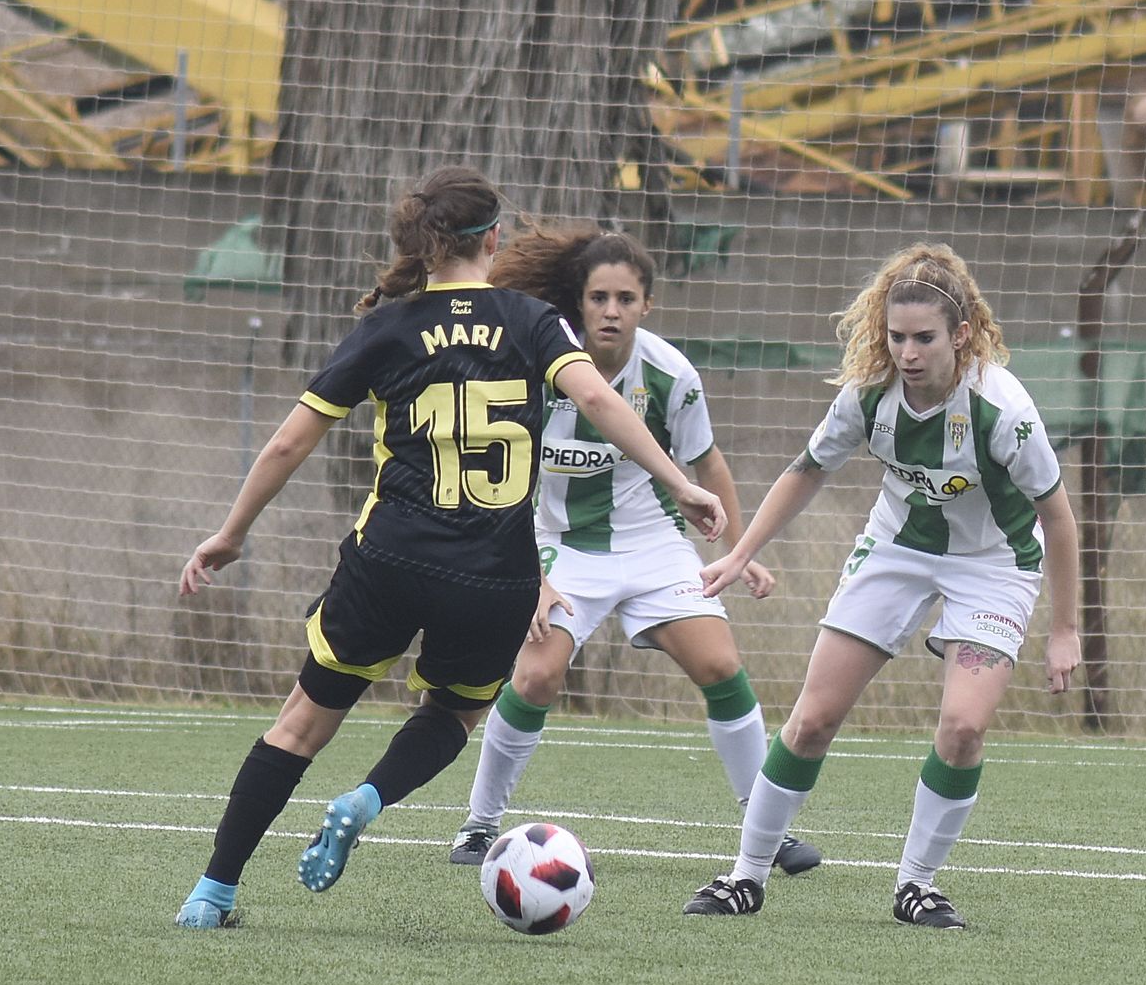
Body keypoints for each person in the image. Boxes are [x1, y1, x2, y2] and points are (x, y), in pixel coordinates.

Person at [172, 166, 726, 929]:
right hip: (494, 574)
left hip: (389, 558)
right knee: (454, 716)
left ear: (421, 244)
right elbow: (597, 397)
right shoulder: (532, 321)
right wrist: (681, 483)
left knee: (300, 722)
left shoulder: (386, 327)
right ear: (493, 241)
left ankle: (214, 892)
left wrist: (231, 533)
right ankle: (366, 797)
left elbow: (287, 444)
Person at [681, 240, 1080, 928]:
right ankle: (745, 875)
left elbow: (1058, 517)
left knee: (962, 727)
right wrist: (739, 551)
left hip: (994, 562)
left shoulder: (1003, 410)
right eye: (897, 336)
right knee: (811, 718)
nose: (908, 352)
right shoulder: (869, 396)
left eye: (924, 337)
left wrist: (1065, 629)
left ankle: (916, 886)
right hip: (897, 547)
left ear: (961, 334)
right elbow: (805, 471)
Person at [443, 224, 821, 876]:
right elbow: (500, 482)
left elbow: (708, 465)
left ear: (647, 304)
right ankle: (479, 825)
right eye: (598, 297)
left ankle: (768, 825)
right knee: (535, 675)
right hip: (556, 547)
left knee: (722, 666)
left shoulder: (672, 375)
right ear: (578, 303)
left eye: (625, 297)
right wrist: (526, 574)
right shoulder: (535, 366)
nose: (611, 310)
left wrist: (737, 549)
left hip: (654, 546)